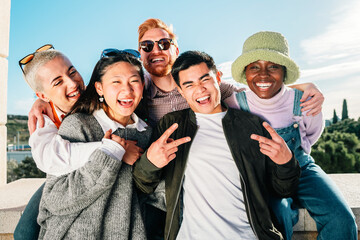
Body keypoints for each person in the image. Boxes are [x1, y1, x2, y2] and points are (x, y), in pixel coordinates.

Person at [133, 50, 301, 240]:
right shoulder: (172, 126)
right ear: (180, 91)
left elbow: (283, 190)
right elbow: (142, 185)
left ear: (218, 77)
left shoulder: (251, 125)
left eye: (205, 80)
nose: (200, 90)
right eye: (189, 85)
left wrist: (286, 162)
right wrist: (150, 162)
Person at [230, 31, 357, 240]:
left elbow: (312, 135)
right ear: (245, 72)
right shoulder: (236, 103)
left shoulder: (305, 101)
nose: (263, 75)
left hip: (302, 168)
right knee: (278, 216)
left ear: (284, 71)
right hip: (262, 176)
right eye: (254, 67)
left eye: (273, 66)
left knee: (340, 217)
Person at [37, 51, 152, 239]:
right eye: (116, 82)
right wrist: (110, 154)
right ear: (99, 88)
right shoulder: (79, 124)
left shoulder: (146, 132)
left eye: (134, 81)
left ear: (143, 84)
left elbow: (143, 194)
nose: (127, 90)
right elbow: (54, 199)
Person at [14, 45, 104, 239]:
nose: (72, 84)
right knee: (24, 233)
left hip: (100, 174)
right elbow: (49, 158)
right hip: (65, 178)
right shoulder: (44, 116)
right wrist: (111, 148)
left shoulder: (99, 94)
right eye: (58, 82)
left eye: (72, 72)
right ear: (43, 96)